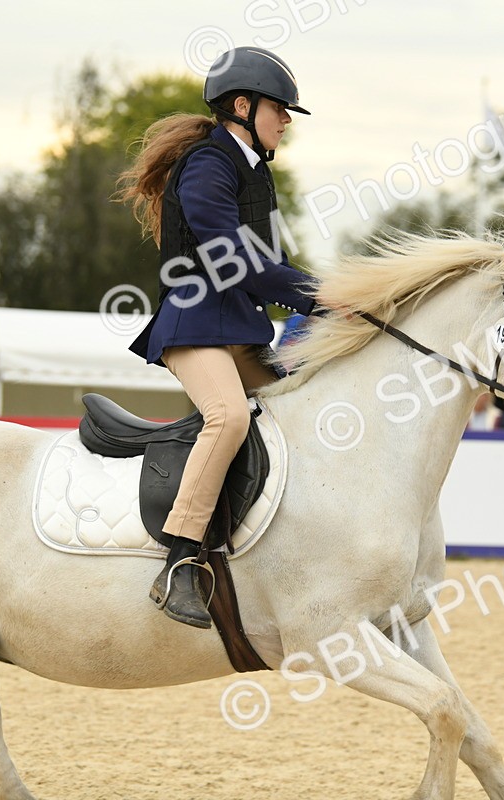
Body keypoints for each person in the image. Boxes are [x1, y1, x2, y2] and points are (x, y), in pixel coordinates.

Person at [119, 46, 319, 628]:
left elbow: (271, 262)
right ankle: (180, 561)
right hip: (195, 325)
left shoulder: (254, 172)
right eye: (280, 109)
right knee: (228, 417)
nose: (286, 121)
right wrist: (315, 294)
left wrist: (331, 300)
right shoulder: (209, 164)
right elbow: (231, 256)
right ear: (243, 106)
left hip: (238, 329)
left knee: (297, 412)